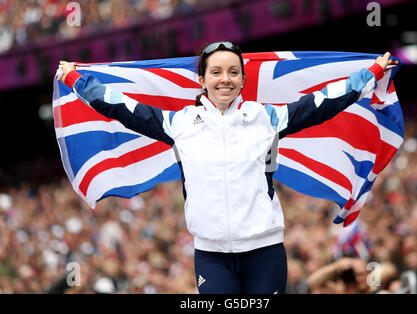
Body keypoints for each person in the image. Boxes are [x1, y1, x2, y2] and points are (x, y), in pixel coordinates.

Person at [58, 41, 398, 294]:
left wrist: (370, 74)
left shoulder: (266, 117)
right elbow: (122, 106)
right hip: (211, 255)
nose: (225, 79)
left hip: (265, 252)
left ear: (243, 78)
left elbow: (322, 102)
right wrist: (75, 78)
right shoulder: (180, 123)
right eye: (216, 72)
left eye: (233, 72)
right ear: (202, 80)